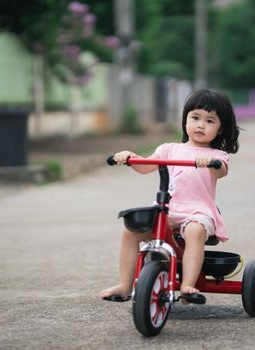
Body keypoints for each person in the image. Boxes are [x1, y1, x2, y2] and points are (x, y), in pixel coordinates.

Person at [100, 89, 240, 303]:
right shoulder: (169, 149)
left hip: (197, 211)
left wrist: (210, 163)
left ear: (220, 129)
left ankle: (188, 286)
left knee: (194, 231)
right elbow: (147, 166)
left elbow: (220, 170)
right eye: (195, 118)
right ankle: (125, 285)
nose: (201, 125)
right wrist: (130, 157)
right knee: (130, 233)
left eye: (210, 121)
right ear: (185, 120)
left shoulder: (216, 156)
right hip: (168, 208)